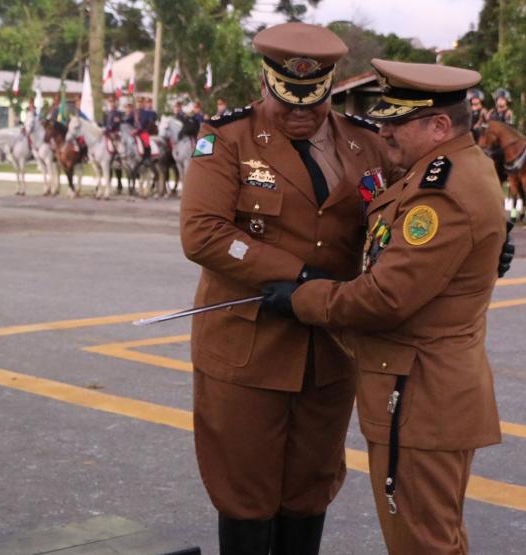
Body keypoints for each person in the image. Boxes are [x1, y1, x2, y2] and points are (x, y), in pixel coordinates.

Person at [260, 58, 508, 555]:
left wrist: (303, 298)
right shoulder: (457, 168)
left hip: (419, 397)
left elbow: (385, 297)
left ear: (439, 126)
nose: (385, 131)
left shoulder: (439, 196)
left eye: (398, 121)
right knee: (437, 539)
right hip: (432, 394)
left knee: (421, 544)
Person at [180, 23, 399, 555]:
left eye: (313, 100)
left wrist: (478, 239)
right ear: (267, 82)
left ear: (330, 87)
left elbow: (410, 211)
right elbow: (203, 233)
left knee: (311, 487)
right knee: (245, 492)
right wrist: (298, 276)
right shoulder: (227, 138)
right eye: (289, 99)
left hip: (329, 349)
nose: (302, 112)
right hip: (247, 348)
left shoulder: (365, 141)